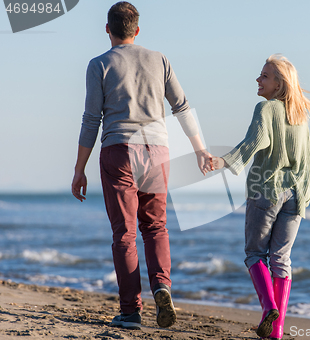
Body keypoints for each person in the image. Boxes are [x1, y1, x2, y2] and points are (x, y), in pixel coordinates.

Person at [71, 1, 212, 330]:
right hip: (157, 150)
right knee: (156, 228)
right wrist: (200, 150)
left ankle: (131, 311)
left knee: (125, 234)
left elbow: (92, 119)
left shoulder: (99, 65)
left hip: (119, 150)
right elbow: (182, 107)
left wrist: (79, 168)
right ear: (137, 31)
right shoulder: (159, 59)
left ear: (108, 29)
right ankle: (162, 286)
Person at [210, 54, 310, 339]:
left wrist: (224, 161)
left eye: (264, 76)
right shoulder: (301, 116)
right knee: (282, 259)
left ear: (279, 84)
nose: (258, 80)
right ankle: (277, 331)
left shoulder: (266, 109)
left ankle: (269, 307)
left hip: (265, 189)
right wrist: (301, 197)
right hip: (295, 193)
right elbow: (306, 163)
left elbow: (254, 141)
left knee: (255, 254)